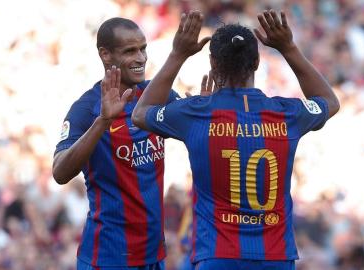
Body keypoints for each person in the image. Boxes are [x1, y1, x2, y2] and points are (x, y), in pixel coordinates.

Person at [132, 9, 340, 270]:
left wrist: (178, 54)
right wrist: (288, 48)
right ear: (256, 63)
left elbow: (140, 114)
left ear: (213, 64)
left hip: (217, 256)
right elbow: (329, 102)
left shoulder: (195, 112)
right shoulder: (286, 113)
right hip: (275, 257)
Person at [52, 17, 181, 270]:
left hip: (154, 255)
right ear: (105, 54)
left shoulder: (158, 95)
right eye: (130, 51)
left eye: (143, 48)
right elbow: (59, 172)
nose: (141, 58)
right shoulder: (86, 108)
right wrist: (102, 121)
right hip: (107, 256)